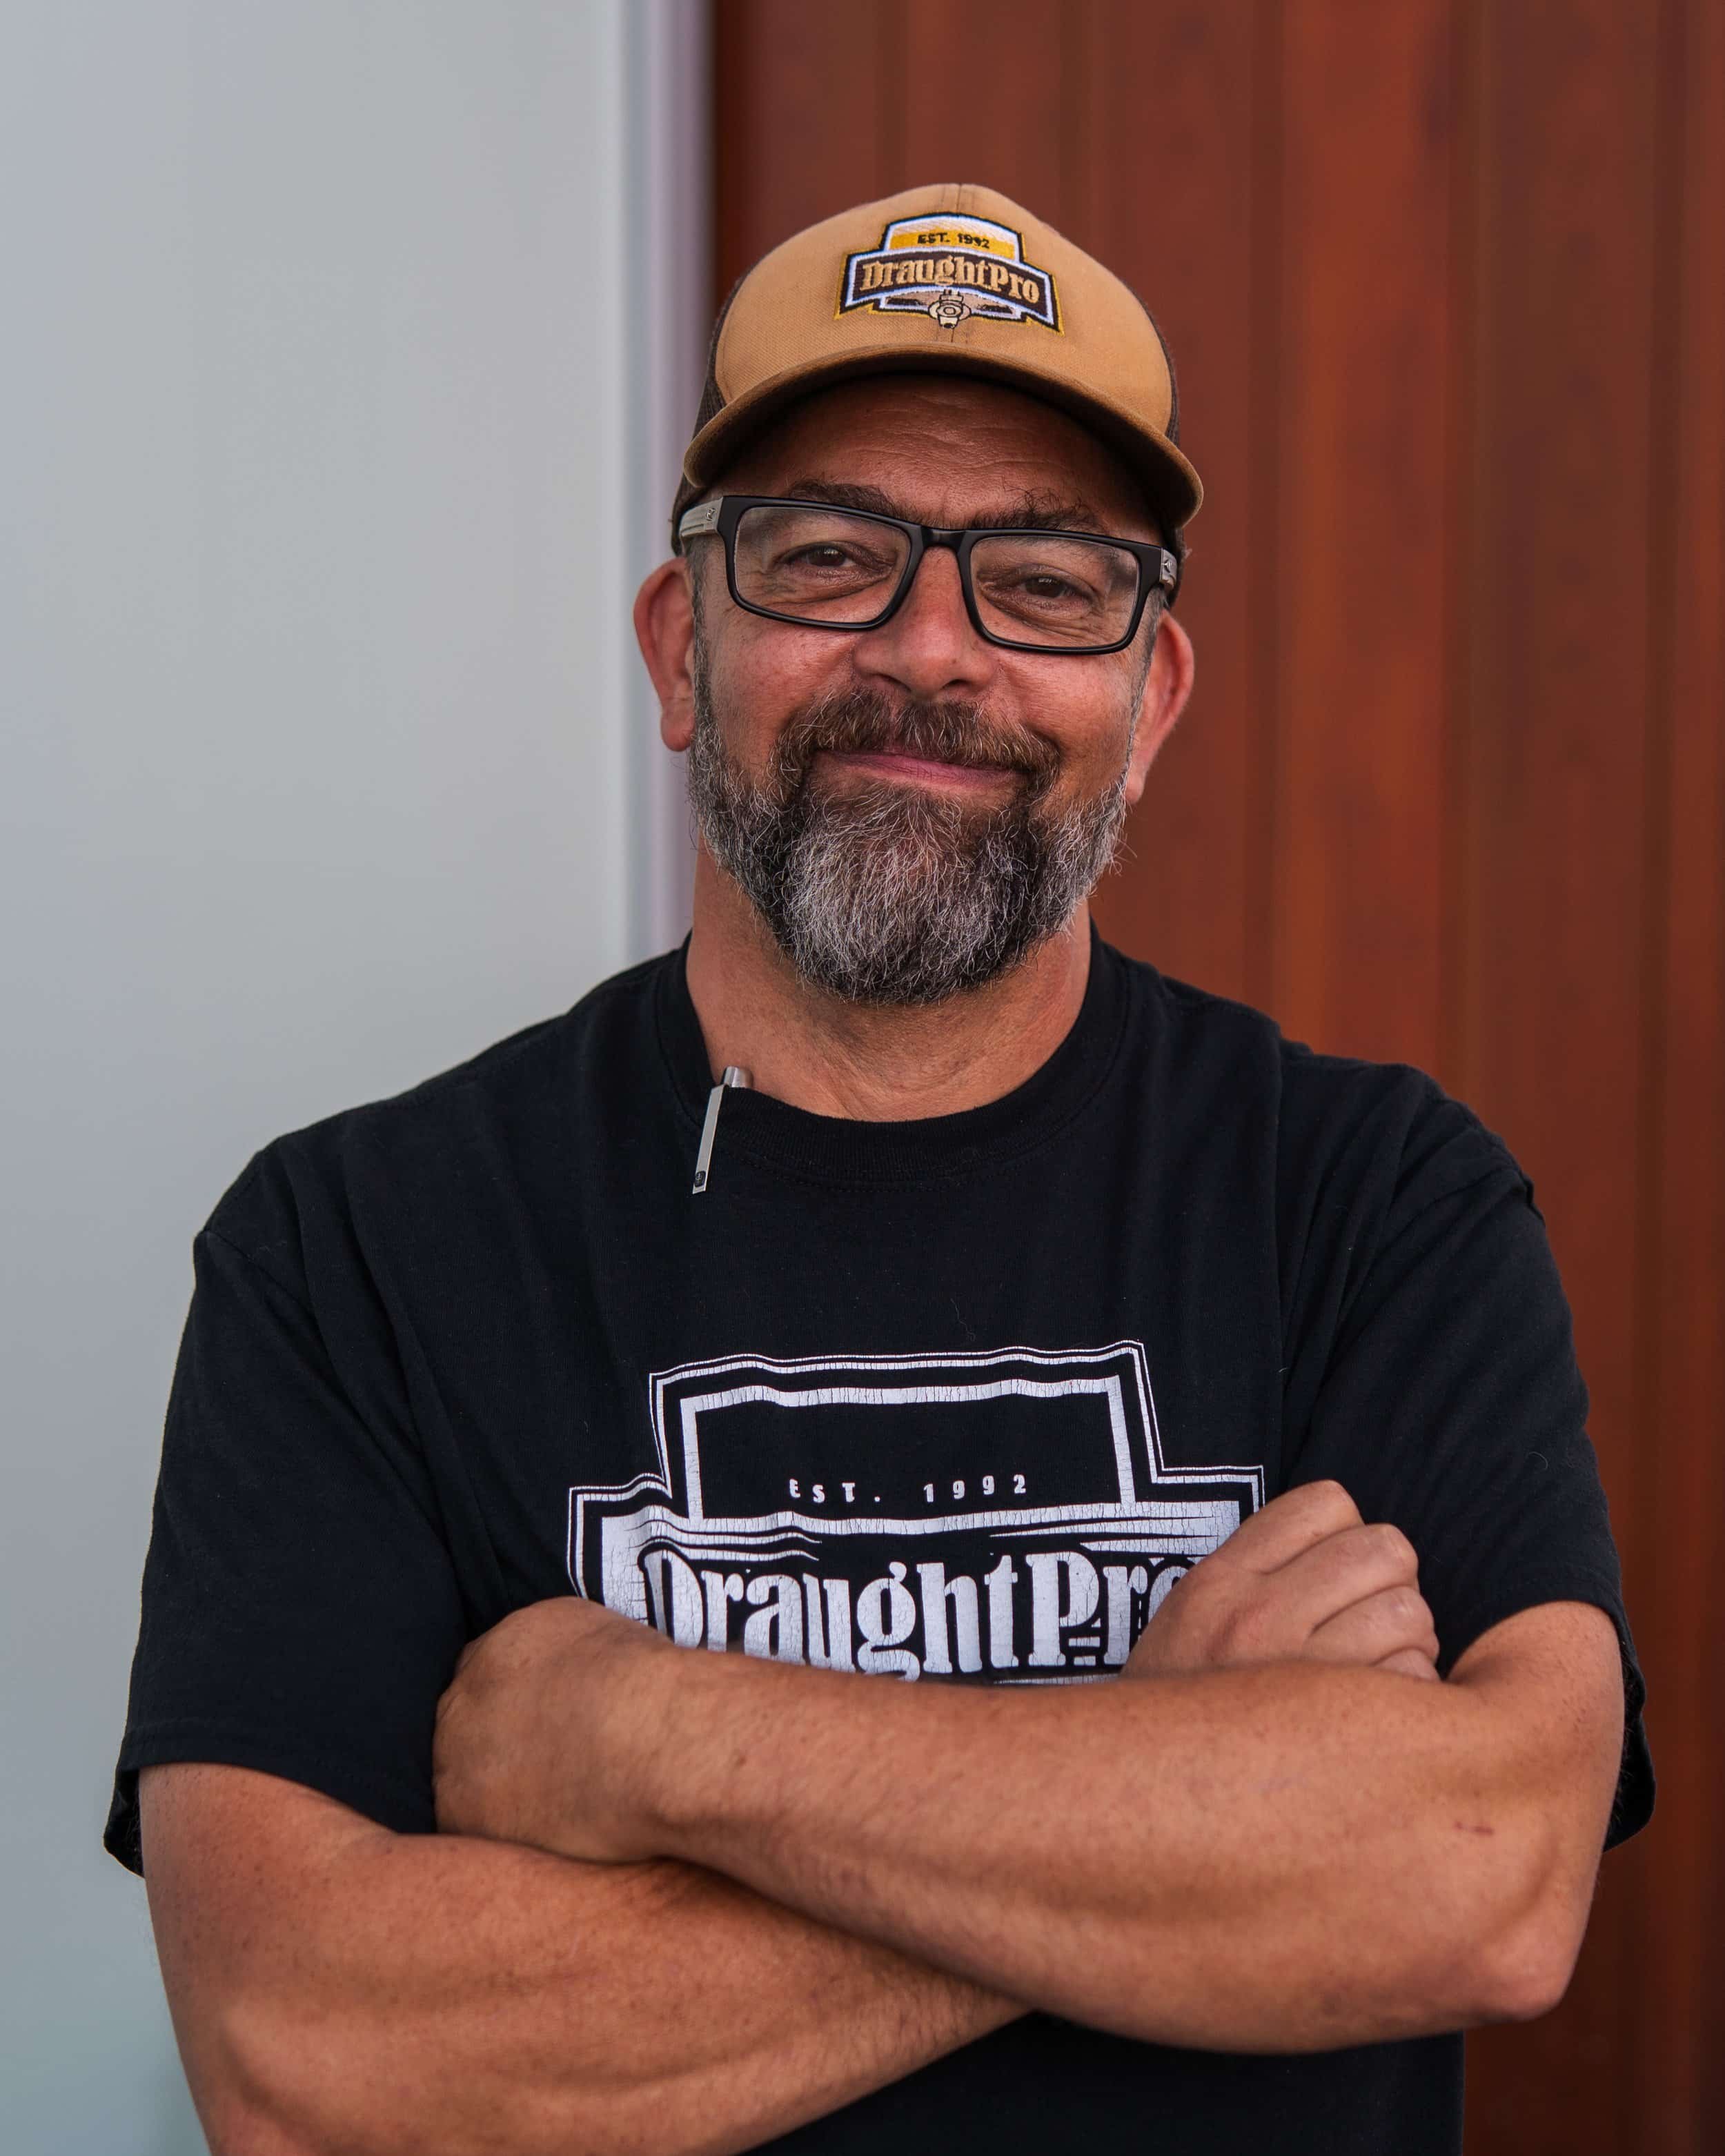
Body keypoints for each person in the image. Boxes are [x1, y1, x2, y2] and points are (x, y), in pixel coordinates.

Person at [108, 184, 1651, 2156]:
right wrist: (1186, 1790)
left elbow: (1478, 1872)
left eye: (1047, 581)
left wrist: (646, 1738)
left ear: (1147, 699)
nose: (932, 651)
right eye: (826, 556)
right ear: (684, 648)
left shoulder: (1375, 1204)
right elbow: (315, 2064)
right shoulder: (357, 1249)